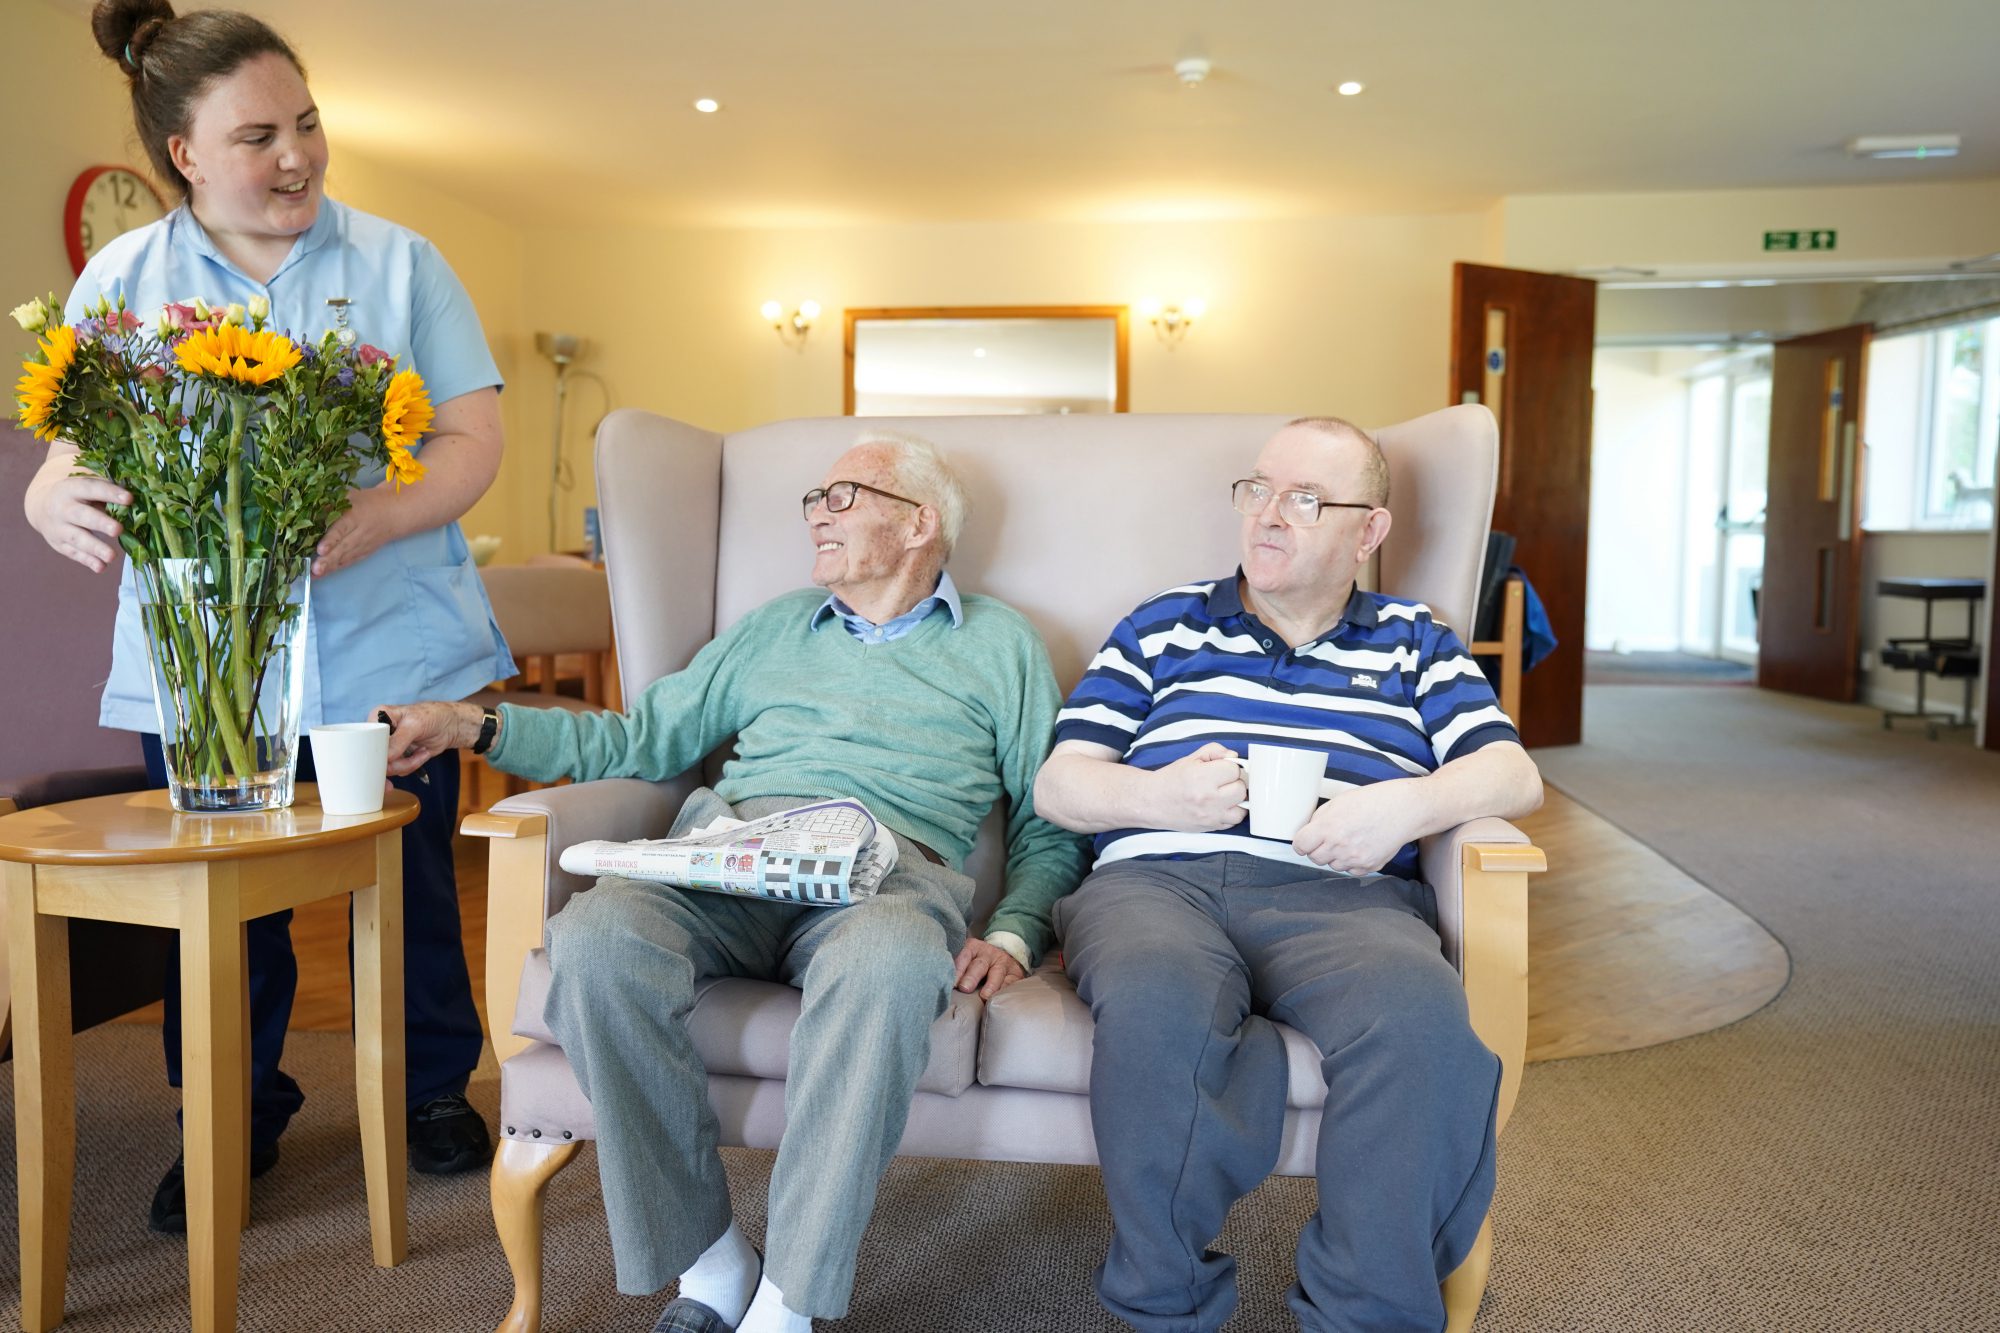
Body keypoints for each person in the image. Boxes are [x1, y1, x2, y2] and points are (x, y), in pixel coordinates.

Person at [381, 432, 1086, 1333]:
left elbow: (1048, 811)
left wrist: (1019, 927)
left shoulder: (1001, 645)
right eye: (813, 499)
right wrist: (472, 724)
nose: (817, 514)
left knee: (891, 962)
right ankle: (711, 1261)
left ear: (919, 524)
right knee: (595, 941)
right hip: (731, 850)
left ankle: (787, 1302)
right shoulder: (775, 625)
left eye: (844, 496)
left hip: (890, 867)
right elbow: (637, 741)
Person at [23, 0, 512, 1230]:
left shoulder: (402, 263)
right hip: (203, 670)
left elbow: (471, 440)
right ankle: (230, 1115)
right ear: (184, 154)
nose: (295, 155)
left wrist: (379, 510)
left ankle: (431, 1090)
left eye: (306, 123)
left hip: (390, 644)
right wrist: (47, 489)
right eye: (257, 136)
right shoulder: (122, 280)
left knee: (402, 882)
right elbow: (72, 439)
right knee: (222, 911)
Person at [1033, 417, 1544, 1332]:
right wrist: (1160, 797)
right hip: (1160, 884)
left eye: (1304, 499)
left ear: (1369, 532)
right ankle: (1166, 1308)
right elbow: (1061, 784)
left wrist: (1402, 807)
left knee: (1423, 1027)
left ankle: (1364, 1315)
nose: (1267, 516)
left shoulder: (1415, 641)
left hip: (1346, 898)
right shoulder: (1162, 623)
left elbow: (1513, 772)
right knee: (1160, 1005)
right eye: (1257, 489)